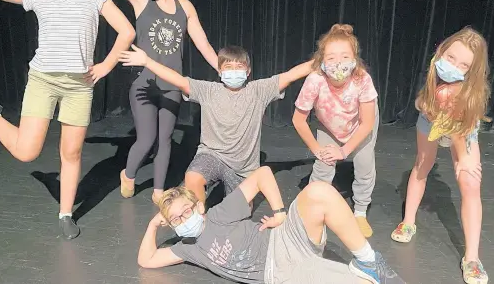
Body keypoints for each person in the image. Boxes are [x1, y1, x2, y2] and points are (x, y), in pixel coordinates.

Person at [0, 0, 136, 240]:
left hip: (79, 85)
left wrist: (107, 64)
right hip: (43, 81)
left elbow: (126, 31)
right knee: (26, 152)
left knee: (71, 154)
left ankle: (65, 214)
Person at [58, 0, 219, 204]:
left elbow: (203, 45)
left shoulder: (186, 7)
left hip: (171, 83)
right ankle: (128, 175)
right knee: (146, 140)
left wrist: (224, 69)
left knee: (165, 140)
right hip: (143, 84)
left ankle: (159, 192)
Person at [137, 165, 405, 284]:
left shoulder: (218, 214)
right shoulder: (186, 248)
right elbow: (146, 260)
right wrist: (152, 225)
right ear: (171, 225)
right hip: (279, 274)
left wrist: (279, 212)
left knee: (319, 191)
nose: (184, 220)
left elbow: (262, 174)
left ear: (197, 206)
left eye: (186, 211)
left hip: (283, 241)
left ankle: (368, 260)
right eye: (176, 219)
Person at [119, 44, 313, 205]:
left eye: (239, 67)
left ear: (248, 71)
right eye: (228, 68)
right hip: (211, 155)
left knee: (238, 215)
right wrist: (147, 61)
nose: (234, 72)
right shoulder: (208, 91)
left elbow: (290, 75)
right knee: (192, 178)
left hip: (243, 168)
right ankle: (200, 219)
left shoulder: (259, 90)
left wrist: (323, 60)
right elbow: (178, 79)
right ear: (220, 71)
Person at [390, 27, 490, 284]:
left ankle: (472, 257)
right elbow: (423, 104)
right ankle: (409, 221)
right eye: (451, 57)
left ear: (472, 70)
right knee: (422, 165)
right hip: (430, 122)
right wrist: (428, 109)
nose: (454, 66)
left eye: (464, 64)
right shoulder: (436, 74)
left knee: (469, 182)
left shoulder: (468, 91)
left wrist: (464, 158)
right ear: (440, 51)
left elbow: (458, 130)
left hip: (462, 130)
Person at [291, 24, 379, 238]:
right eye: (330, 58)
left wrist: (345, 150)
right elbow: (298, 119)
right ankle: (312, 207)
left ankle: (359, 212)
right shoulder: (315, 80)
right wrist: (316, 149)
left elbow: (367, 123)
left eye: (344, 56)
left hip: (359, 125)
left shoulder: (362, 80)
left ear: (354, 59)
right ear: (321, 61)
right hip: (329, 126)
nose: (338, 63)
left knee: (364, 165)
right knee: (323, 166)